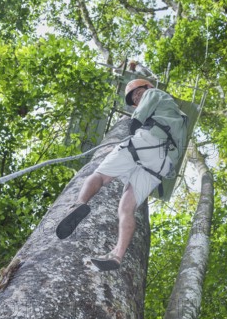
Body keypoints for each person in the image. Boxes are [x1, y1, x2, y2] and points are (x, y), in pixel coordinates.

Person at [56, 79, 188, 271]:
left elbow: (136, 121)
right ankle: (117, 255)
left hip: (147, 141)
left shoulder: (155, 93)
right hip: (162, 163)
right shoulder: (180, 115)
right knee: (126, 208)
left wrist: (135, 132)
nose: (136, 97)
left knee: (100, 176)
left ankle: (79, 204)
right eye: (134, 97)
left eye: (138, 92)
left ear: (148, 87)